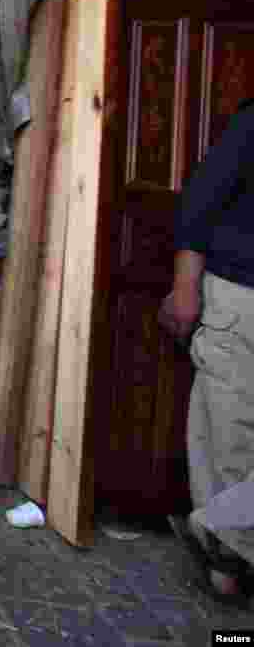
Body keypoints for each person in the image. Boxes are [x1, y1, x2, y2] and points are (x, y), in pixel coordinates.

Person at [161, 98, 254, 607]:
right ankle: (227, 567)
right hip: (242, 296)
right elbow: (201, 204)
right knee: (227, 436)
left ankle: (220, 533)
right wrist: (184, 287)